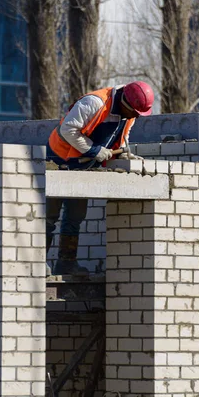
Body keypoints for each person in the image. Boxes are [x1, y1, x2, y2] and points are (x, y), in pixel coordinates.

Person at [45, 81, 154, 275]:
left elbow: (121, 139)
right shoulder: (94, 103)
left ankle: (66, 263)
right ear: (125, 103)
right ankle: (36, 263)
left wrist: (122, 155)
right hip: (58, 160)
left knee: (74, 217)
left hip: (83, 165)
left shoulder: (130, 113)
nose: (136, 116)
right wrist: (95, 150)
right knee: (49, 216)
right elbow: (68, 130)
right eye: (135, 112)